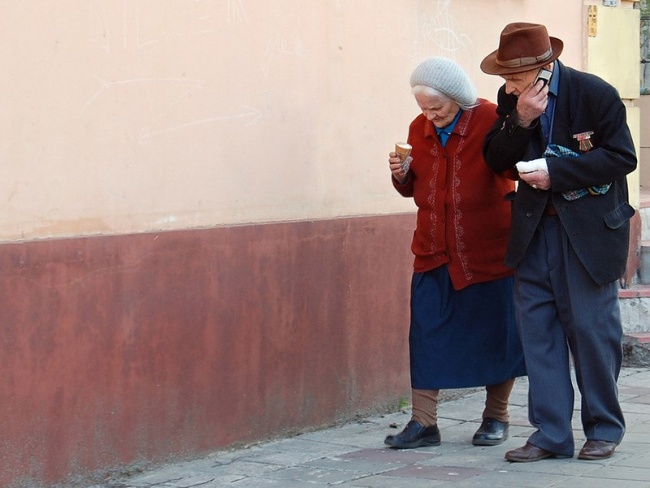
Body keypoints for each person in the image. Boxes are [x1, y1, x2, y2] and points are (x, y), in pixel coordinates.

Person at [480, 22, 637, 462]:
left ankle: (603, 428)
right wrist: (522, 119)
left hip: (587, 236)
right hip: (533, 232)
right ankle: (550, 434)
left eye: (515, 77)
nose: (508, 86)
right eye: (505, 78)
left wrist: (558, 174)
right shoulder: (511, 101)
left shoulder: (595, 94)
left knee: (591, 333)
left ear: (546, 68)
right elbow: (495, 158)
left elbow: (622, 156)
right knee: (539, 334)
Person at [384, 56, 527, 450]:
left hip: (488, 251)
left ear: (458, 98)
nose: (430, 115)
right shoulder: (420, 126)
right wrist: (401, 174)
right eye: (423, 108)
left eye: (437, 107)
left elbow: (515, 169)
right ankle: (424, 423)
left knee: (496, 335)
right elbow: (415, 187)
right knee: (426, 334)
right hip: (433, 250)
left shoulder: (492, 118)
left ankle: (497, 417)